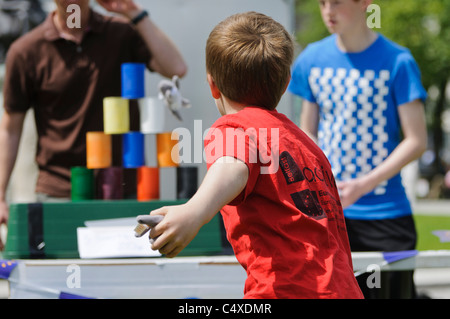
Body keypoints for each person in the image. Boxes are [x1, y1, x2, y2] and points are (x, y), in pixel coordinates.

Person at [138, 11, 363, 299]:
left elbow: (234, 164)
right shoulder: (307, 145)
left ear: (212, 85)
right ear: (285, 85)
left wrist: (193, 212)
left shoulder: (234, 127)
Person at [0, 0, 187, 250]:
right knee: (59, 276)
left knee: (124, 282)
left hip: (122, 191)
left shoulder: (121, 33)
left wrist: (133, 12)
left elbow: (176, 68)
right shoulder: (26, 51)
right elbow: (10, 129)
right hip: (58, 193)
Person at [288, 0, 427, 298]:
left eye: (337, 2)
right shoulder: (311, 58)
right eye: (323, 2)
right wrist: (321, 186)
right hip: (330, 216)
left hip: (386, 216)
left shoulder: (398, 61)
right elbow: (307, 133)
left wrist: (361, 186)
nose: (328, 11)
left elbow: (417, 140)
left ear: (365, 3)